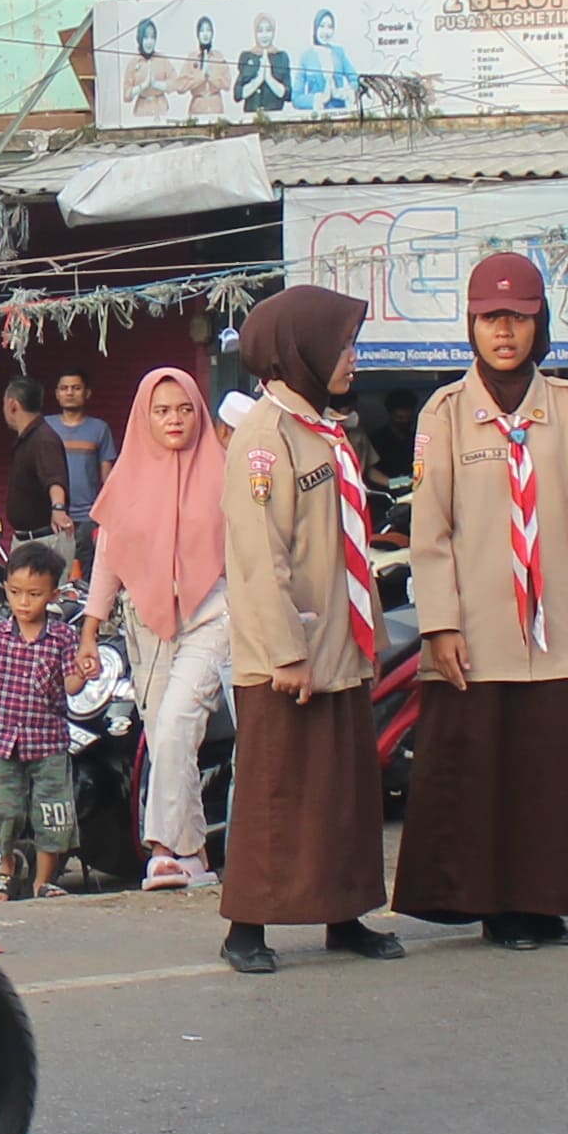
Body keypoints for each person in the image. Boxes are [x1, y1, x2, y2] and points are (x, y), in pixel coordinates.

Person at [394, 252, 568, 949]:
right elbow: (431, 533)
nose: (504, 332)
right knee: (483, 774)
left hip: (554, 626)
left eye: (519, 318)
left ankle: (542, 902)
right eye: (490, 318)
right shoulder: (444, 414)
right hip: (479, 630)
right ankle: (495, 907)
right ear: (471, 325)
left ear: (540, 325)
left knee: (549, 773)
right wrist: (440, 624)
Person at [214, 285, 398, 975]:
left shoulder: (322, 427)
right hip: (288, 655)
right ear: (305, 352)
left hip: (339, 647)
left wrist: (366, 636)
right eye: (342, 346)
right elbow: (260, 556)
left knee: (342, 792)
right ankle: (246, 927)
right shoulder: (265, 439)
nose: (352, 359)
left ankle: (344, 914)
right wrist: (286, 652)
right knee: (278, 792)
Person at [79, 364, 233, 893]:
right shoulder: (125, 480)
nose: (174, 420)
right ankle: (192, 855)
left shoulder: (226, 473)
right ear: (143, 417)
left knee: (174, 726)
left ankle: (168, 850)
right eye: (162, 410)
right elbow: (109, 559)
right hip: (147, 623)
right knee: (169, 740)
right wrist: (89, 631)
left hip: (213, 614)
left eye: (185, 409)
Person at [0, 542, 85, 902]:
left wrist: (85, 671)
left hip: (49, 742)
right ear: (6, 588)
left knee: (51, 812)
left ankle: (44, 881)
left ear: (52, 595)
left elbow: (71, 685)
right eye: (16, 592)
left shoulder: (63, 637)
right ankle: (6, 865)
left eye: (34, 594)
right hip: (1, 741)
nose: (23, 602)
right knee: (6, 810)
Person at [7, 367, 113, 551]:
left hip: (87, 519)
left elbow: (108, 478)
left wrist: (107, 518)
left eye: (76, 388)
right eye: (64, 388)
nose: (70, 393)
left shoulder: (100, 429)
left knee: (84, 569)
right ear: (56, 394)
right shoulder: (44, 427)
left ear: (87, 393)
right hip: (50, 521)